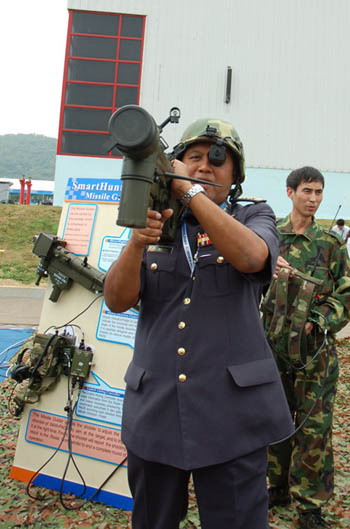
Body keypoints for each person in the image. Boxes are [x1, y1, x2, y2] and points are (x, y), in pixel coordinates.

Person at [104, 118, 294, 529]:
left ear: (235, 176)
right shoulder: (156, 224)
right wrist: (137, 243)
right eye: (192, 158)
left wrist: (190, 192)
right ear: (174, 165)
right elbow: (117, 300)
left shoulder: (253, 215)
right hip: (155, 410)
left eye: (217, 160)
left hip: (233, 416)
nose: (204, 166)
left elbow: (252, 258)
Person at [262, 167, 350, 529]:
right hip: (271, 349)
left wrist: (319, 319)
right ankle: (277, 486)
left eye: (319, 192)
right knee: (275, 423)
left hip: (315, 356)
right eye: (307, 191)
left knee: (313, 430)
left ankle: (310, 505)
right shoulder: (270, 237)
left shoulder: (330, 244)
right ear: (290, 192)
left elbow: (345, 295)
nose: (313, 199)